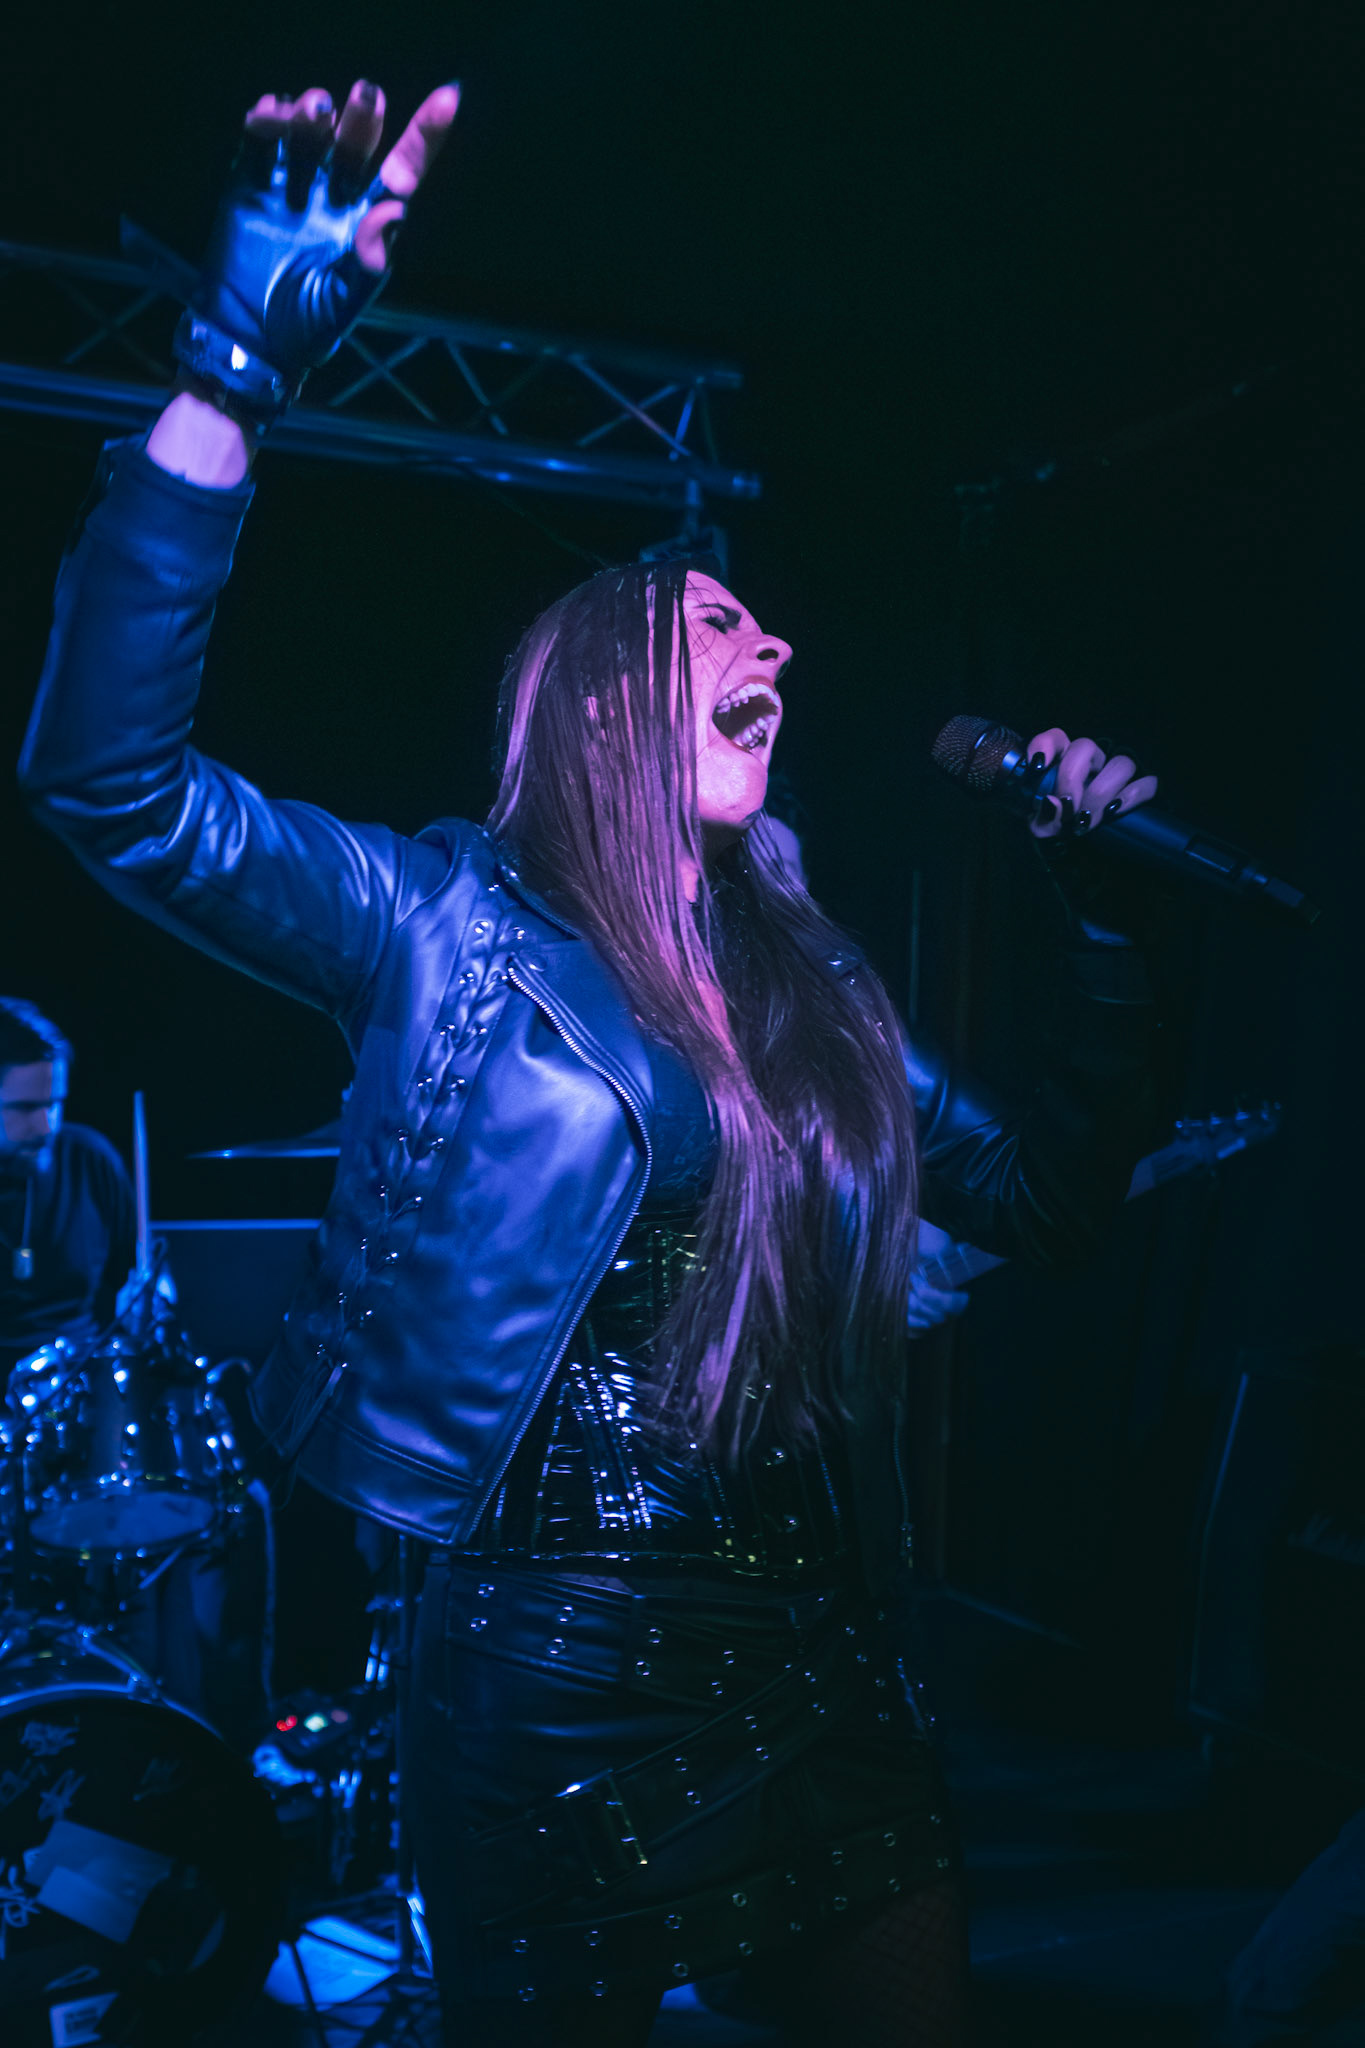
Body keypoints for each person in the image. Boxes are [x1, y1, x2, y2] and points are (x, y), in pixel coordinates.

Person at [20, 75, 1162, 2047]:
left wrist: (1107, 932)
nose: (777, 653)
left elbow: (1042, 1192)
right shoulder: (444, 921)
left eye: (776, 636)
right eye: (723, 625)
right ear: (608, 701)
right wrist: (233, 363)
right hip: (556, 1665)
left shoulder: (810, 980)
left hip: (819, 1654)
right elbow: (110, 779)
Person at [0, 997, 135, 1389]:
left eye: (55, 1104)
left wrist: (153, 1300)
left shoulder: (92, 1159)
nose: (47, 1126)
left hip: (79, 1390)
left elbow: (139, 1274)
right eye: (25, 1108)